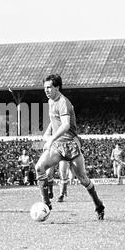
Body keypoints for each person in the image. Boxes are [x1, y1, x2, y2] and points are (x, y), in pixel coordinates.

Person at [34, 74, 105, 220]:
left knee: (83, 179)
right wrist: (47, 134)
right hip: (57, 146)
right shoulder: (50, 101)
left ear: (57, 87)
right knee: (39, 167)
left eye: (49, 87)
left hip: (70, 145)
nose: (46, 90)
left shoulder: (63, 102)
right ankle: (46, 204)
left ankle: (98, 204)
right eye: (45, 88)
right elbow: (54, 120)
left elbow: (66, 125)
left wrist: (51, 138)